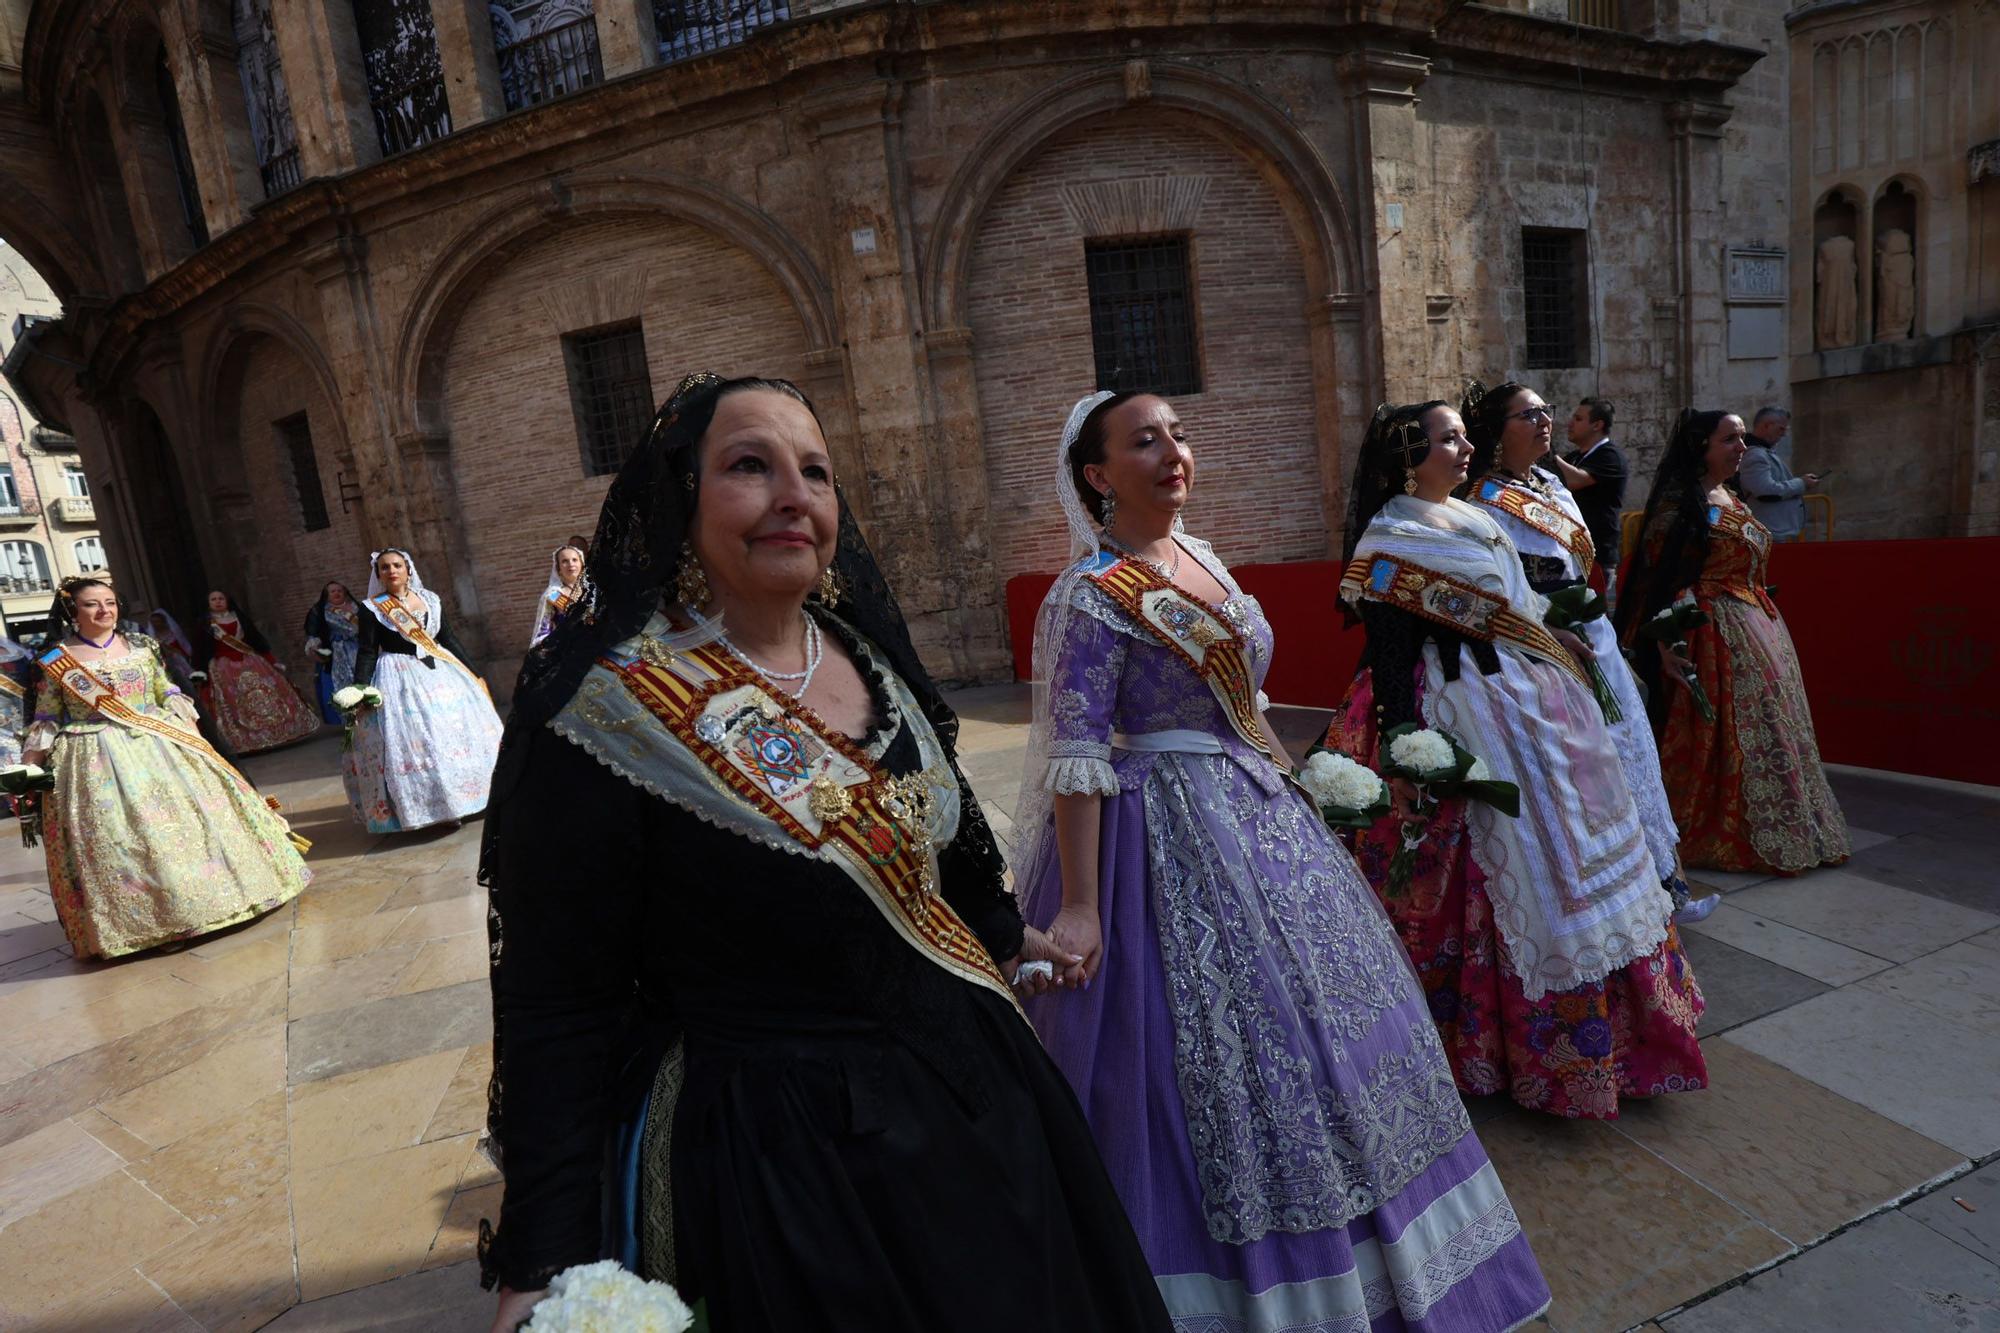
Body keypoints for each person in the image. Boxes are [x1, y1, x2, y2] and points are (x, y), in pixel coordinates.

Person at [479, 373, 1173, 1333]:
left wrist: (1008, 933)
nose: (793, 495)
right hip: (789, 1166)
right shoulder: (608, 713)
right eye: (749, 466)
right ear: (681, 495)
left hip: (979, 1105)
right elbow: (558, 1002)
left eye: (816, 471)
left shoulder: (865, 653)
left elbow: (939, 832)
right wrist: (540, 1253)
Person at [1014, 390, 1549, 1329]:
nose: (1173, 451)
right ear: (1099, 477)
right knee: (1202, 1059)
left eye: (1177, 433)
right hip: (1159, 839)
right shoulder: (1088, 598)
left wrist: (1298, 779)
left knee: (1323, 1035)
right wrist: (1087, 904)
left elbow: (1242, 704)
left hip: (1259, 820)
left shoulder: (1202, 558)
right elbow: (1077, 760)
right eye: (1144, 442)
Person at [1324, 400, 1706, 1119]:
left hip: (1529, 700)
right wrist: (1406, 744)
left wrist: (1563, 650)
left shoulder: (1474, 518)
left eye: (1465, 436)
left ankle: (1621, 1033)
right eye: (1448, 439)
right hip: (1460, 702)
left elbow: (1521, 607)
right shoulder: (1392, 536)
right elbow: (1393, 651)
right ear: (1409, 457)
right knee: (1507, 868)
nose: (1465, 447)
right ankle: (1509, 1048)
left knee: (1580, 854)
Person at [1459, 380, 1717, 925]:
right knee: (1585, 772)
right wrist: (1546, 629)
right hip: (1543, 642)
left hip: (1591, 631)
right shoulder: (1480, 501)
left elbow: (1579, 563)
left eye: (1545, 411)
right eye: (1527, 414)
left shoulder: (1552, 482)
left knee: (1630, 754)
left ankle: (1665, 887)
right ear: (1495, 430)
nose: (1543, 420)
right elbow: (1499, 587)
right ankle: (1610, 898)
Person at [22, 576, 310, 959]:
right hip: (96, 756)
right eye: (92, 604)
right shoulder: (57, 661)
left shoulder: (142, 645)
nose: (105, 610)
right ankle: (154, 921)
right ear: (72, 611)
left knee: (192, 824)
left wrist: (196, 743)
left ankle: (227, 899)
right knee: (125, 837)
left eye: (110, 602)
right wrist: (28, 770)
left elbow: (167, 693)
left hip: (162, 742)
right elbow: (46, 717)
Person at [1615, 410, 1851, 876]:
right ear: (1701, 447)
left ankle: (1790, 823)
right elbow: (1659, 581)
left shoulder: (1731, 496)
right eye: (1730, 439)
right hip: (1712, 632)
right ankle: (1720, 829)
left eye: (1743, 438)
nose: (1741, 447)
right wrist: (1667, 642)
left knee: (1774, 725)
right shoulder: (1680, 505)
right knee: (1729, 731)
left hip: (1757, 624)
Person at [344, 549, 504, 834]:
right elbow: (368, 651)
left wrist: (474, 672)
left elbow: (448, 638)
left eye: (396, 565)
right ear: (378, 574)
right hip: (399, 678)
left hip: (443, 672)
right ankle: (441, 808)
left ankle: (475, 796)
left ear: (408, 569)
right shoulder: (372, 607)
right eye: (384, 567)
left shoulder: (431, 599)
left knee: (456, 733)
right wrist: (360, 688)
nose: (391, 571)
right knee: (423, 740)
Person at [194, 590, 322, 753]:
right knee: (233, 703)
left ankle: (278, 734)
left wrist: (271, 661)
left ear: (228, 601)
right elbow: (199, 649)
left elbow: (256, 640)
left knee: (268, 695)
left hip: (250, 661)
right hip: (222, 668)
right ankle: (244, 741)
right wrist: (199, 670)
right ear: (208, 603)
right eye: (213, 599)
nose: (218, 602)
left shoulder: (239, 618)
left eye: (221, 598)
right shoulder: (205, 624)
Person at [1546, 397, 1625, 602]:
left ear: (1597, 425)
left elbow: (1574, 480)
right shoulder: (1574, 457)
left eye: (1579, 419)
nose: (1570, 424)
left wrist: (1547, 451)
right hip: (1570, 551)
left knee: (1591, 616)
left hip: (1596, 553)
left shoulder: (1610, 456)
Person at [1738, 407, 1819, 542]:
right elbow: (1766, 492)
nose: (1783, 434)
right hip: (1767, 533)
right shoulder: (1755, 455)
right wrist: (1802, 483)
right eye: (1781, 429)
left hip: (1773, 532)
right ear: (1766, 426)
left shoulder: (1762, 452)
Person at [303, 582, 363, 724]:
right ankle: (350, 717)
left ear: (345, 592)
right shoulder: (321, 611)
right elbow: (314, 633)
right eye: (333, 591)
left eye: (340, 591)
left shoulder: (356, 608)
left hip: (358, 649)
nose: (337, 593)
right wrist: (315, 648)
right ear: (327, 595)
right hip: (337, 655)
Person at [528, 540, 592, 646]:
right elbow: (543, 631)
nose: (571, 564)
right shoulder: (554, 594)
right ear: (558, 569)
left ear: (581, 564)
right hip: (569, 647)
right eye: (565, 561)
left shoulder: (592, 589)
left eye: (575, 560)